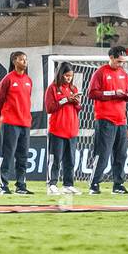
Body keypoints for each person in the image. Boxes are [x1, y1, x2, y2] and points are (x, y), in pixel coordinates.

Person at [87, 45, 128, 195]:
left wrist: (127, 95)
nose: (121, 64)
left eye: (123, 61)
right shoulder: (100, 73)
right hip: (105, 119)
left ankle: (118, 185)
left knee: (121, 155)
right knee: (102, 154)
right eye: (119, 61)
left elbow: (125, 93)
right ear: (111, 58)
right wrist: (113, 93)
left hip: (121, 120)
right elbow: (91, 93)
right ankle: (94, 184)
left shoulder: (124, 74)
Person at [0, 50, 33, 196]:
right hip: (10, 122)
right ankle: (3, 186)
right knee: (6, 155)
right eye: (22, 59)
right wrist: (3, 117)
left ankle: (21, 186)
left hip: (25, 123)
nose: (25, 62)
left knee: (23, 156)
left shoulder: (29, 80)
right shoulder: (7, 79)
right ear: (14, 61)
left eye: (26, 59)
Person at [44, 61, 81, 195]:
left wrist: (76, 102)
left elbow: (77, 108)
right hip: (57, 129)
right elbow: (49, 108)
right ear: (60, 74)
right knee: (55, 159)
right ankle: (52, 184)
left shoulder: (74, 89)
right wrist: (66, 100)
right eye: (66, 76)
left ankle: (68, 185)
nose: (68, 78)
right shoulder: (52, 88)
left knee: (70, 160)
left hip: (71, 130)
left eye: (70, 76)